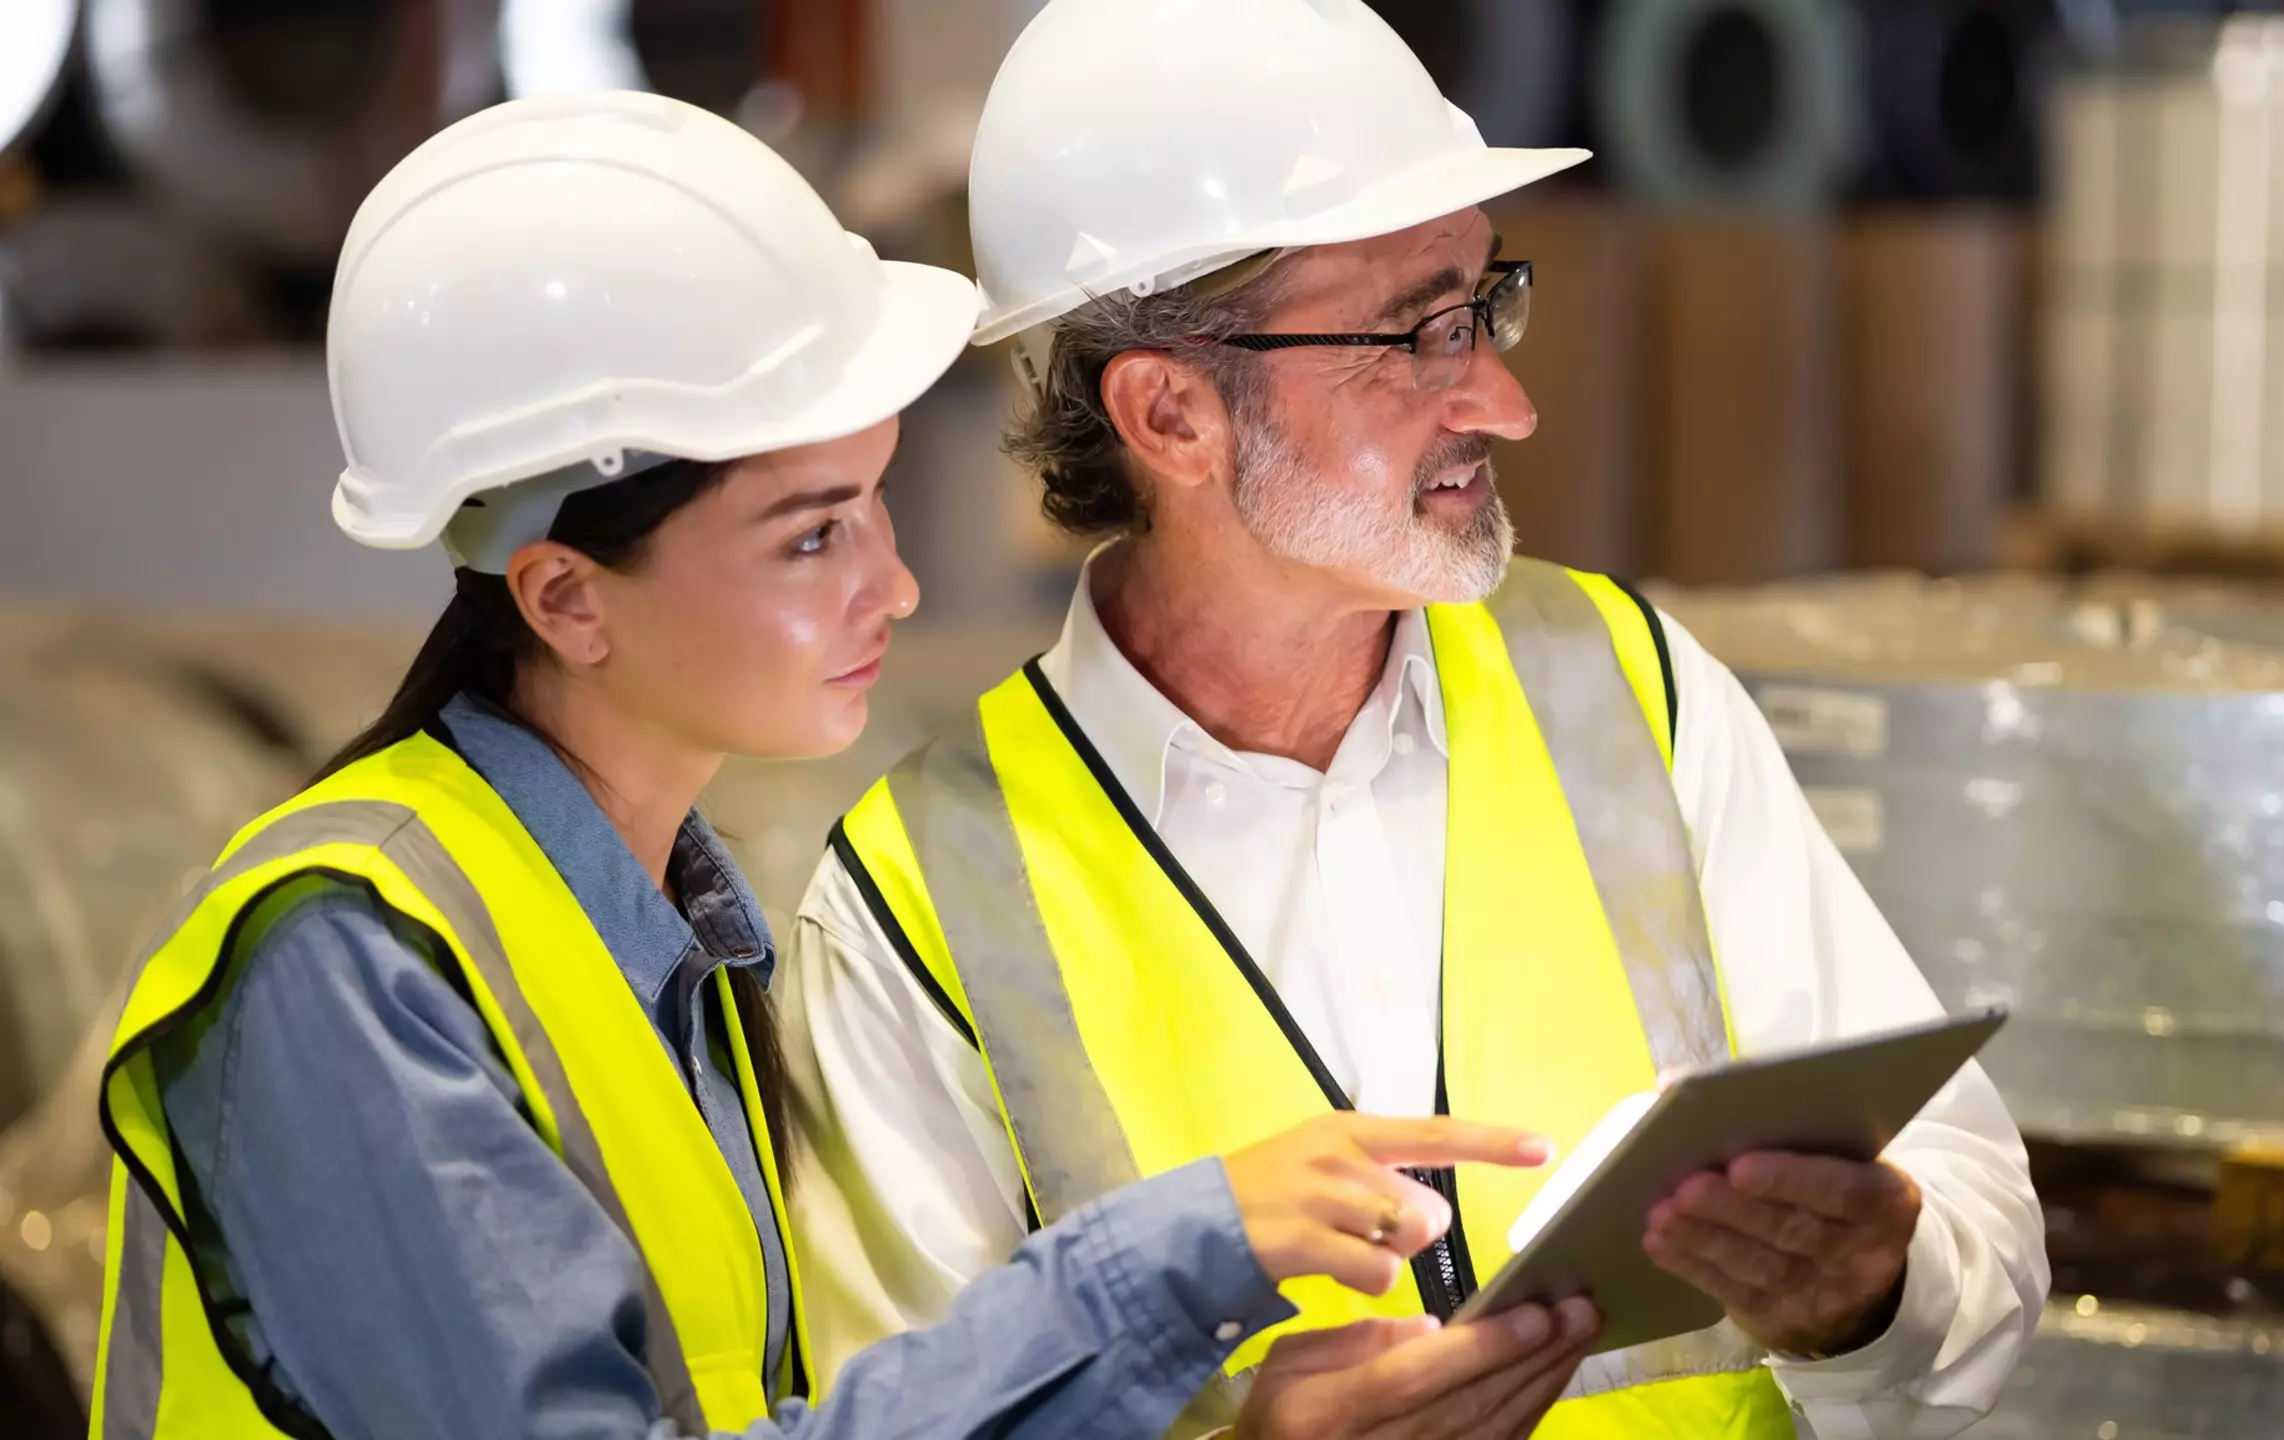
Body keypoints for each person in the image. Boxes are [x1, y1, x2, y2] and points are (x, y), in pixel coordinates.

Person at [87, 90, 1596, 1440]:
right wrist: (1155, 1264)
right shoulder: (349, 962)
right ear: (563, 598)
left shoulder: (668, 939)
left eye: (874, 506)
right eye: (811, 533)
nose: (895, 587)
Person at [780, 1, 2050, 1436]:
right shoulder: (920, 906)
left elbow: (1971, 1218)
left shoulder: (1626, 687)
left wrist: (1875, 1294)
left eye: (1485, 304)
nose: (1503, 402)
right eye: (1416, 336)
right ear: (1172, 415)